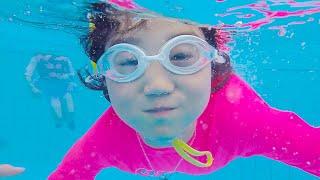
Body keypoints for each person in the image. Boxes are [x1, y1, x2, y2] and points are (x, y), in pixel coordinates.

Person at [49, 3, 320, 179]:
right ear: (104, 75)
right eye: (128, 61)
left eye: (180, 56)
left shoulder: (243, 120)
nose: (157, 86)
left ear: (211, 62)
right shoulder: (106, 140)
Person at [25, 54, 76, 129]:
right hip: (49, 87)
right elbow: (27, 75)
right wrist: (32, 87)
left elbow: (72, 73)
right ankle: (60, 124)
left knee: (70, 110)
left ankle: (67, 122)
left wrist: (68, 78)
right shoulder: (37, 58)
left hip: (63, 86)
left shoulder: (64, 58)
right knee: (57, 110)